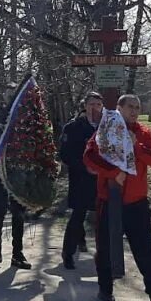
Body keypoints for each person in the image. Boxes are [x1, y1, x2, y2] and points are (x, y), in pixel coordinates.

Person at [83, 94, 151, 301]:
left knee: (145, 250)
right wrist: (114, 172)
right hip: (110, 200)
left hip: (137, 203)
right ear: (119, 108)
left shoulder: (143, 132)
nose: (134, 111)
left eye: (137, 107)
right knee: (106, 248)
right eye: (130, 107)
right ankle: (105, 290)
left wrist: (137, 147)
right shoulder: (105, 129)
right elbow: (89, 157)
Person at [0, 83, 31, 269]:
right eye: (10, 94)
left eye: (15, 94)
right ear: (5, 96)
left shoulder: (25, 117)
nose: (12, 97)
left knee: (18, 212)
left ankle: (17, 253)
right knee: (0, 209)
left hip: (18, 169)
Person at [60, 92, 103, 269]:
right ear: (85, 106)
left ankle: (104, 256)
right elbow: (65, 155)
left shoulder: (106, 126)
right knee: (77, 217)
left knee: (104, 219)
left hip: (102, 180)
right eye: (91, 104)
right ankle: (68, 254)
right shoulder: (73, 127)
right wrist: (84, 167)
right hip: (81, 179)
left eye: (98, 105)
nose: (95, 108)